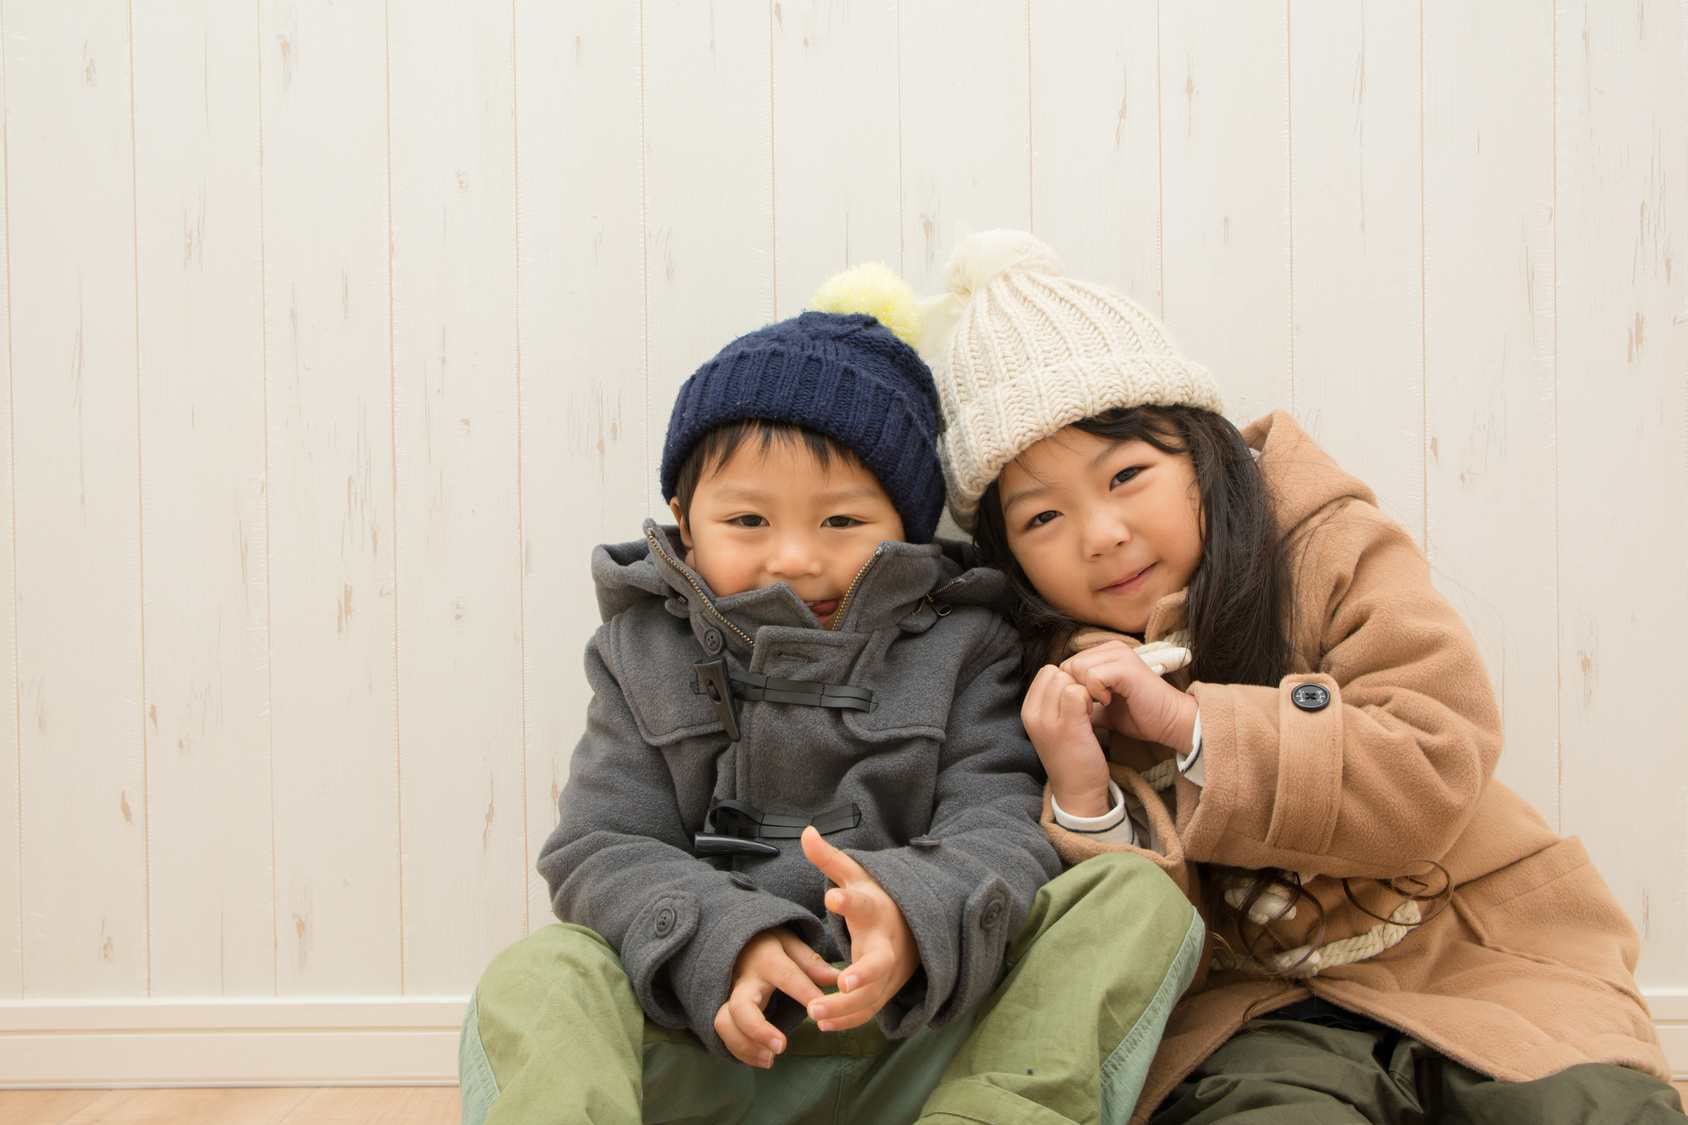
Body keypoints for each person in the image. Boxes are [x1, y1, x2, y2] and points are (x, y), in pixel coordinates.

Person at [921, 229, 1684, 1124]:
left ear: (1203, 452)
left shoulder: (1327, 548)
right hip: (1258, 1012)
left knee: (1599, 1107)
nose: (1100, 533)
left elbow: (1436, 754)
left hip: (1480, 951)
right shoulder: (1060, 681)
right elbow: (1151, 951)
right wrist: (1085, 790)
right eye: (1043, 516)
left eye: (1127, 473)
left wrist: (1193, 725)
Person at [459, 264, 1204, 1125]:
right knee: (537, 976)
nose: (794, 558)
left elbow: (999, 824)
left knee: (1133, 901)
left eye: (842, 522)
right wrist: (723, 940)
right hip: (718, 1053)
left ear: (909, 531)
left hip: (929, 1047)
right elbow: (599, 845)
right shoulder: (640, 650)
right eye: (748, 521)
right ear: (683, 518)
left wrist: (909, 915)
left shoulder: (968, 643)